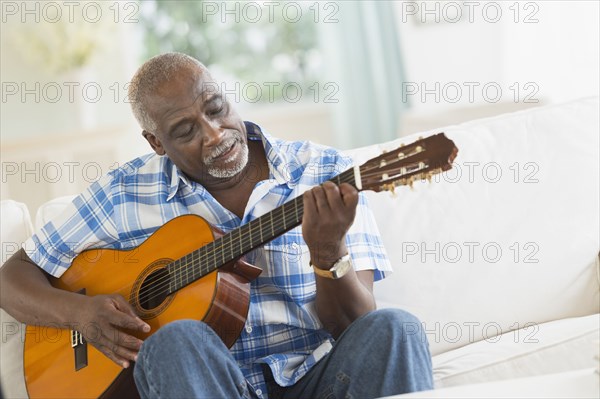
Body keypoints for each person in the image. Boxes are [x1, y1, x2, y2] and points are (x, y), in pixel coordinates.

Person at [0, 53, 433, 398]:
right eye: (185, 130)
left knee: (397, 327)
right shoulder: (122, 193)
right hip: (203, 385)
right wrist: (80, 314)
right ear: (156, 143)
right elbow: (11, 279)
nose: (214, 134)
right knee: (176, 340)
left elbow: (355, 323)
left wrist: (328, 253)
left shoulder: (323, 172)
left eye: (216, 109)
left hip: (317, 380)